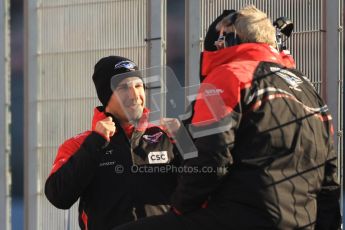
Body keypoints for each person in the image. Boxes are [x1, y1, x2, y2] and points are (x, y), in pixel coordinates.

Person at [114, 5, 340, 230]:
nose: (217, 46)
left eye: (221, 39)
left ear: (235, 39)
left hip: (241, 216)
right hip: (302, 220)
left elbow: (212, 157)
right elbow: (330, 173)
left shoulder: (230, 75)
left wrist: (180, 208)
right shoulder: (306, 87)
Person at [45, 56, 180, 230]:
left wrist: (186, 143)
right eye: (123, 88)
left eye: (138, 86)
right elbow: (58, 196)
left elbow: (203, 186)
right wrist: (96, 143)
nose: (134, 95)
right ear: (106, 96)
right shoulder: (81, 144)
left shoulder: (167, 135)